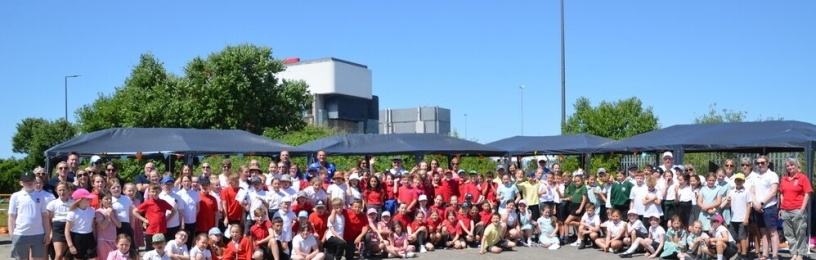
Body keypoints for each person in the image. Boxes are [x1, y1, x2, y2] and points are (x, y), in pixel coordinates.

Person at [9, 171, 52, 260]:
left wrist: (47, 233)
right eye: (26, 181)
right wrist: (11, 233)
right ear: (21, 183)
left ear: (34, 181)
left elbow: (44, 216)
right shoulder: (15, 196)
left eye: (31, 180)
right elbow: (12, 216)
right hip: (21, 233)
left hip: (38, 234)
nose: (29, 183)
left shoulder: (40, 197)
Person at [779, 158, 812, 260]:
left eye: (792, 165)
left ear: (797, 165)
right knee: (789, 234)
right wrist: (781, 208)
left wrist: (802, 209)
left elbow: (807, 193)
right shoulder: (784, 179)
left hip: (798, 210)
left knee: (800, 233)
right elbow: (781, 194)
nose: (790, 167)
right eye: (788, 166)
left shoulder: (802, 178)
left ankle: (800, 254)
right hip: (785, 210)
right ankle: (793, 253)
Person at [750, 156, 780, 260]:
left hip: (769, 207)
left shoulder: (772, 175)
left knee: (772, 231)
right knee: (763, 232)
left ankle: (775, 255)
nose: (760, 165)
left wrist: (761, 203)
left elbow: (773, 192)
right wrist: (755, 203)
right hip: (758, 208)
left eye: (762, 163)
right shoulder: (755, 176)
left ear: (767, 163)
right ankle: (765, 254)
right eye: (758, 163)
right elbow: (752, 192)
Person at [66, 188, 98, 260]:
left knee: (93, 258)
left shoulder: (91, 210)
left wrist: (95, 239)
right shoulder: (72, 213)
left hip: (90, 237)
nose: (89, 200)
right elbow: (67, 231)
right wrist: (71, 245)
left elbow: (93, 226)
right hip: (77, 238)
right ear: (80, 201)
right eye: (87, 199)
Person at [46, 181, 74, 260]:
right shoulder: (52, 204)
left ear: (68, 190)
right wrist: (51, 231)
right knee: (59, 254)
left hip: (70, 228)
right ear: (56, 191)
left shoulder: (73, 203)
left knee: (67, 255)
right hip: (57, 228)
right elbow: (48, 219)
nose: (62, 192)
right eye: (60, 190)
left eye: (64, 190)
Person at [96, 192, 122, 260]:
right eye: (106, 199)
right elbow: (103, 226)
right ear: (101, 201)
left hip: (114, 240)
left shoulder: (114, 211)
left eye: (110, 199)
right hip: (103, 240)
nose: (109, 201)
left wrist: (112, 216)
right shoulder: (99, 212)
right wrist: (107, 215)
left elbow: (119, 225)